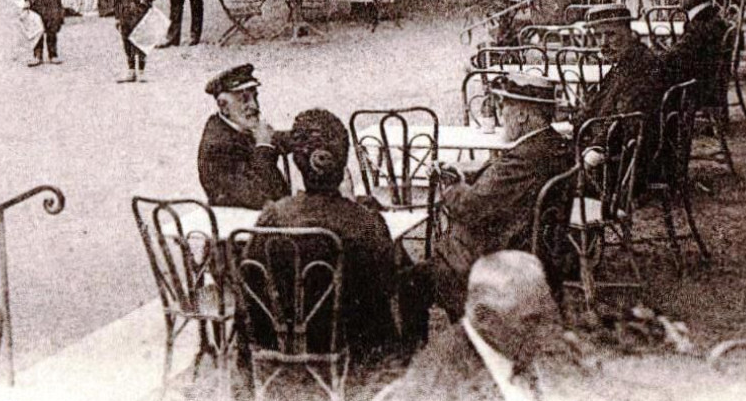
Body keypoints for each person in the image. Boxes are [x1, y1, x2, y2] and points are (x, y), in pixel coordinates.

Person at [251, 109, 429, 365]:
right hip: (356, 349)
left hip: (291, 342)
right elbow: (389, 284)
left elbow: (254, 278)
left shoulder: (272, 218)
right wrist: (353, 203)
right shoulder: (365, 220)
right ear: (343, 163)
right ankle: (409, 360)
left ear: (299, 164)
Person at [369, 251, 584, 401]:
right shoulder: (443, 387)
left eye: (550, 317)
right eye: (532, 321)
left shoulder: (507, 347)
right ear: (484, 317)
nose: (546, 334)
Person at [429, 74, 574, 317]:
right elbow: (500, 187)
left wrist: (451, 186)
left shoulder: (523, 159)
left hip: (499, 254)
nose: (500, 114)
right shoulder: (554, 145)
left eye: (503, 106)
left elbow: (470, 207)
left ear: (522, 115)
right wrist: (469, 177)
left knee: (415, 279)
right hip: (538, 246)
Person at [577, 3, 668, 189]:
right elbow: (596, 107)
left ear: (628, 32)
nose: (603, 43)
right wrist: (573, 127)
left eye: (610, 34)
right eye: (598, 36)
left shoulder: (642, 67)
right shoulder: (625, 63)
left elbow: (625, 121)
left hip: (627, 166)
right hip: (616, 154)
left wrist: (595, 148)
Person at [197, 64, 291, 209]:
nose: (254, 106)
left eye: (255, 97)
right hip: (244, 225)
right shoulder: (218, 145)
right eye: (244, 100)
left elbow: (276, 139)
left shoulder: (236, 125)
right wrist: (264, 147)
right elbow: (258, 196)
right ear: (223, 107)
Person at [665, 0, 729, 114]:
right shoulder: (711, 16)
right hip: (709, 83)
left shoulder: (699, 25)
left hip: (697, 89)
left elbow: (678, 55)